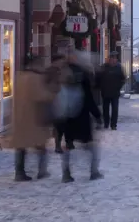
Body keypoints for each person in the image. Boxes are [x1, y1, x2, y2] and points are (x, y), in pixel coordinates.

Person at [12, 56, 64, 181]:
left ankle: (19, 172)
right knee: (41, 146)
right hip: (34, 118)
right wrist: (53, 94)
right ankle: (42, 171)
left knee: (21, 146)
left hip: (20, 117)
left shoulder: (19, 76)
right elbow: (41, 96)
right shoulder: (35, 78)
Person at [60, 50, 103, 183]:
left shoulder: (63, 73)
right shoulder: (82, 74)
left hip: (67, 116)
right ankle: (93, 171)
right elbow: (88, 97)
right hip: (81, 116)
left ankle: (66, 173)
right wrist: (97, 115)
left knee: (68, 144)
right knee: (90, 145)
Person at [97, 52, 125, 130]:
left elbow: (123, 79)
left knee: (115, 109)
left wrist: (119, 87)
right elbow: (99, 77)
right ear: (109, 59)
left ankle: (113, 124)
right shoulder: (104, 67)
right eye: (111, 58)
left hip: (115, 92)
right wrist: (100, 86)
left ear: (116, 60)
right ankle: (106, 123)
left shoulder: (119, 68)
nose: (113, 60)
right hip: (105, 91)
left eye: (114, 58)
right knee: (105, 109)